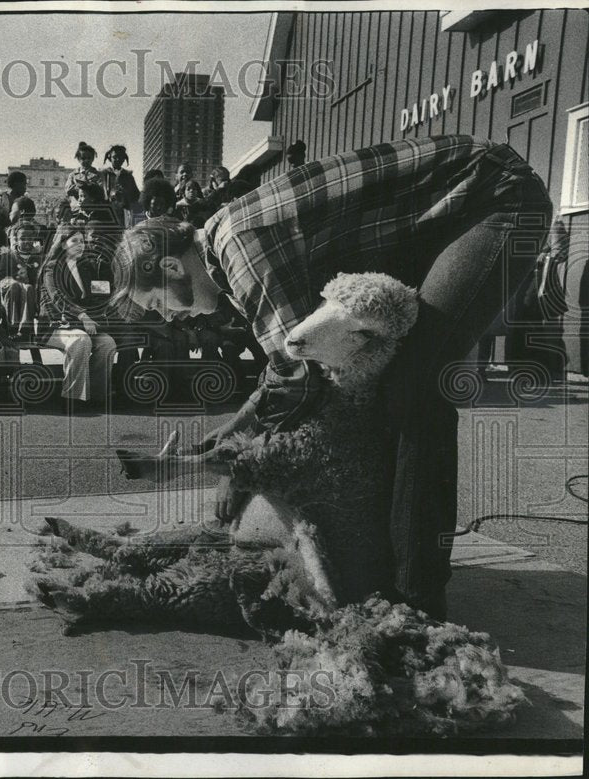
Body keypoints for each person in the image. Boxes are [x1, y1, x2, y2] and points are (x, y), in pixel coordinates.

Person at [108, 135, 554, 619]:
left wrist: (240, 463)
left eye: (159, 304)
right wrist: (242, 422)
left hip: (496, 196)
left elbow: (299, 375)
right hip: (444, 217)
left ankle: (418, 598)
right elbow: (296, 357)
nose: (172, 319)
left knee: (414, 388)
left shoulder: (237, 244)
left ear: (171, 265)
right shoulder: (225, 249)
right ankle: (391, 561)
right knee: (390, 382)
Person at [38, 224, 117, 408]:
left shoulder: (85, 267)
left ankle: (97, 397)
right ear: (64, 244)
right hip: (55, 326)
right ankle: (73, 398)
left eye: (82, 241)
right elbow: (58, 298)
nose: (80, 245)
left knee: (107, 343)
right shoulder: (51, 268)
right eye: (75, 241)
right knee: (81, 341)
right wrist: (82, 316)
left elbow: (96, 296)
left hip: (81, 325)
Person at [0, 220, 43, 335]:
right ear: (16, 240)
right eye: (22, 238)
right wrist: (10, 281)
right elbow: (0, 277)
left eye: (30, 238)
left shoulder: (38, 257)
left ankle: (26, 327)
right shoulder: (9, 256)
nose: (26, 241)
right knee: (16, 286)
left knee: (28, 288)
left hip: (30, 292)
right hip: (11, 290)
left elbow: (40, 278)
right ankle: (12, 325)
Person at [100, 144, 140, 227]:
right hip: (106, 211)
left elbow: (135, 195)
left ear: (124, 159)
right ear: (110, 158)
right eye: (115, 157)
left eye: (121, 157)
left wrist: (125, 194)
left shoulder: (128, 176)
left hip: (123, 212)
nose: (118, 159)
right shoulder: (103, 174)